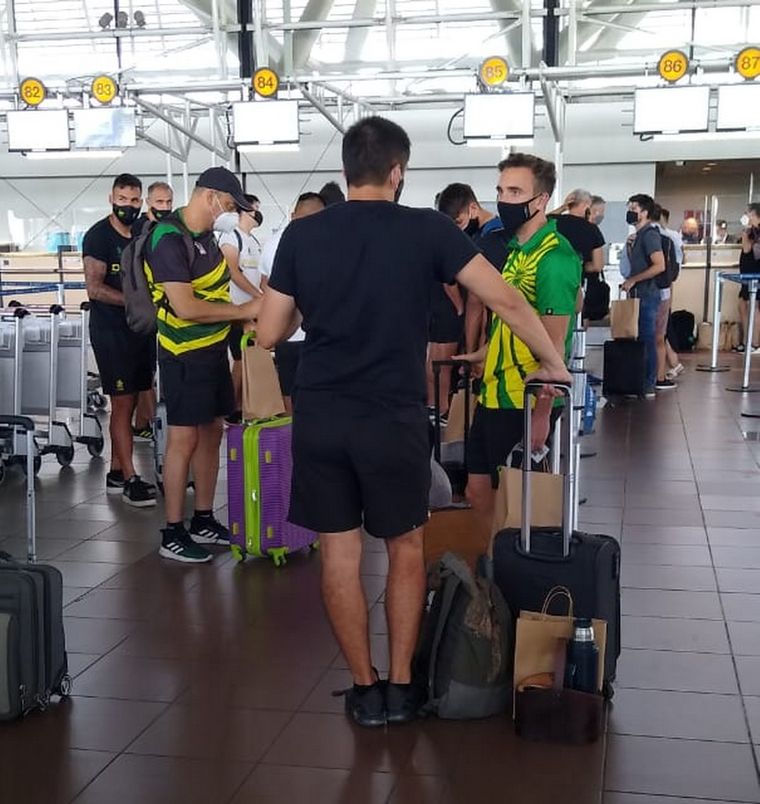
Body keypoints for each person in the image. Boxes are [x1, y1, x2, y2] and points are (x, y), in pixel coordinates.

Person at [257, 117, 570, 729]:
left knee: (339, 552)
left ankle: (364, 688)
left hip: (321, 414)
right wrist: (552, 362)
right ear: (397, 172)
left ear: (346, 170)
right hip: (393, 416)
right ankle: (401, 687)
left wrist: (310, 309)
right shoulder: (427, 228)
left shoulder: (302, 234)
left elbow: (270, 332)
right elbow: (504, 298)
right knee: (404, 548)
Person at [458, 154, 582, 538]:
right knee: (477, 490)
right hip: (494, 392)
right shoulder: (515, 250)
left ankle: (511, 567)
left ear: (541, 199)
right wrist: (484, 353)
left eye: (515, 192)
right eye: (500, 190)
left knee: (516, 501)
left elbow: (554, 344)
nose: (504, 200)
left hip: (523, 399)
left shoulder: (554, 257)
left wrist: (542, 413)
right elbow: (510, 321)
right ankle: (491, 563)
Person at [143, 167, 259, 563]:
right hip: (182, 354)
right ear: (209, 197)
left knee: (212, 431)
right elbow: (186, 306)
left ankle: (203, 518)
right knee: (183, 438)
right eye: (228, 205)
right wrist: (244, 310)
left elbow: (218, 292)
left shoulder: (206, 238)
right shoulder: (167, 239)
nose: (230, 213)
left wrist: (245, 319)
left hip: (212, 352)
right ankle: (173, 531)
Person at [82, 173, 157, 507]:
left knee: (138, 397)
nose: (129, 205)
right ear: (111, 199)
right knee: (122, 403)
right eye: (122, 199)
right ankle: (130, 478)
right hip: (112, 331)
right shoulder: (98, 236)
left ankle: (115, 470)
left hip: (141, 330)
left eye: (134, 200)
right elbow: (94, 288)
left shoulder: (143, 230)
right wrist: (135, 301)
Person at [259, 191, 326, 414]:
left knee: (295, 394)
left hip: (300, 335)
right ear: (292, 216)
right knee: (296, 393)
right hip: (299, 336)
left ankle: (293, 431)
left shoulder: (279, 242)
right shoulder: (280, 244)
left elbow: (266, 285)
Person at [436, 183, 505, 358]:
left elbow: (477, 301)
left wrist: (471, 350)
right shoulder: (481, 235)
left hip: (492, 333)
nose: (457, 230)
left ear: (473, 208)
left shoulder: (490, 241)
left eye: (459, 223)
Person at [131, 180, 175, 438]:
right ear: (148, 202)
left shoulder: (170, 228)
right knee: (145, 370)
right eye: (159, 202)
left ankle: (143, 422)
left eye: (168, 202)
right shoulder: (139, 230)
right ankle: (146, 422)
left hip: (166, 309)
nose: (165, 207)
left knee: (155, 368)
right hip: (145, 308)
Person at [218, 194, 264, 418]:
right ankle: (232, 407)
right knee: (239, 358)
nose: (258, 213)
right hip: (235, 308)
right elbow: (232, 272)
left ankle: (243, 405)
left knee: (248, 357)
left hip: (252, 308)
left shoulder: (252, 240)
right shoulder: (231, 237)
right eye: (255, 208)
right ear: (243, 210)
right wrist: (258, 295)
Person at [621, 194, 666, 398]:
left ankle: (648, 382)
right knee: (640, 337)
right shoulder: (638, 236)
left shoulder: (649, 235)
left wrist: (634, 280)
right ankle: (641, 381)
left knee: (647, 338)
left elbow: (659, 265)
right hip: (639, 294)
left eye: (634, 209)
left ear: (645, 212)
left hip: (647, 294)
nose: (630, 212)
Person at [548, 189, 605, 324]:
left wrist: (563, 208)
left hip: (551, 280)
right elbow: (598, 265)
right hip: (576, 284)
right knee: (573, 323)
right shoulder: (592, 229)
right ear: (586, 205)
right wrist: (581, 265)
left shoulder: (553, 223)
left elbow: (538, 223)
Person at [651, 204, 678, 391]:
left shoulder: (635, 239)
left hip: (643, 290)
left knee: (646, 335)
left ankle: (647, 378)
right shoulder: (670, 239)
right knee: (660, 335)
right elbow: (674, 270)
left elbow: (626, 269)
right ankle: (660, 377)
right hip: (665, 289)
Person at [660, 207, 685, 380]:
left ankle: (673, 363)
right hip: (668, 281)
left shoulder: (667, 236)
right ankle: (673, 362)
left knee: (663, 324)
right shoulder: (673, 236)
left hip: (664, 282)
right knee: (664, 324)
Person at [738, 203, 760, 352]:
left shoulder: (755, 231)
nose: (746, 216)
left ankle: (755, 343)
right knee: (742, 304)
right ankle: (748, 340)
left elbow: (747, 249)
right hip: (747, 273)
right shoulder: (752, 230)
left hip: (755, 273)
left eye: (748, 213)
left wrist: (745, 232)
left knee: (754, 306)